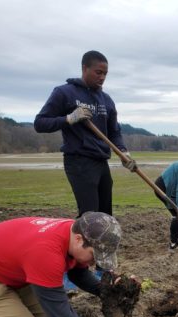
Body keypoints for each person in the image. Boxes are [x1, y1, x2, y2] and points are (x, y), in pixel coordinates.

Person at [34, 50, 136, 218]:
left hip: (101, 161)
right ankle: (79, 243)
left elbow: (114, 132)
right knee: (90, 215)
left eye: (105, 74)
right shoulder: (65, 93)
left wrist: (124, 152)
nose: (102, 77)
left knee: (105, 215)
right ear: (84, 68)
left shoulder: (106, 100)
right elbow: (40, 123)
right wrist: (69, 118)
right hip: (79, 161)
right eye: (98, 72)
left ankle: (100, 245)